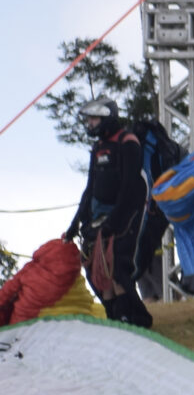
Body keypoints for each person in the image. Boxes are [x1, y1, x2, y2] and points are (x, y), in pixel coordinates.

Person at [72, 99, 154, 328]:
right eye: (88, 119)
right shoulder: (99, 147)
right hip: (100, 215)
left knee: (118, 269)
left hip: (125, 215)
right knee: (97, 270)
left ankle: (136, 319)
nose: (90, 123)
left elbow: (130, 186)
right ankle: (114, 319)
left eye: (94, 118)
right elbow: (90, 187)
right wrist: (76, 223)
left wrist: (114, 222)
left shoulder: (128, 142)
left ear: (107, 117)